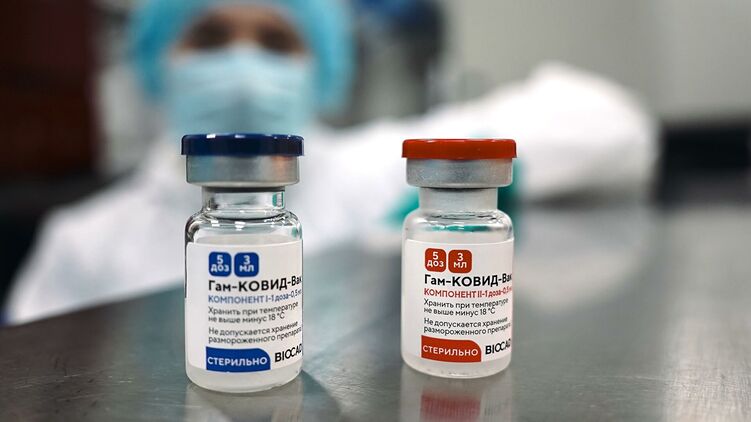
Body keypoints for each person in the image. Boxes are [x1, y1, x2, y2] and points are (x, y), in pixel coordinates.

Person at [3, 0, 655, 324]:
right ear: (154, 61)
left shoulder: (370, 173)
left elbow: (609, 122)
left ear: (324, 68)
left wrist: (463, 180)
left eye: (276, 41)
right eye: (209, 36)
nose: (243, 64)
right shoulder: (84, 241)